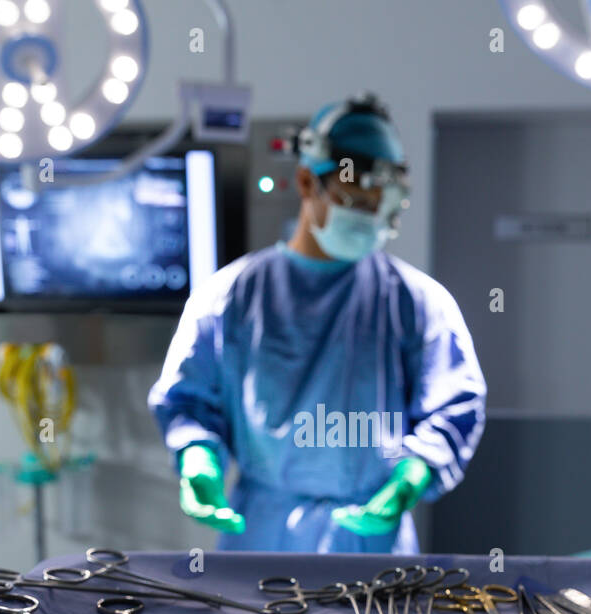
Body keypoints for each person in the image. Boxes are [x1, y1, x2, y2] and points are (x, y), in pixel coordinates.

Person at [148, 92, 486, 552]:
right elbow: (188, 402)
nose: (371, 220)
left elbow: (451, 407)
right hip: (261, 537)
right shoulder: (228, 297)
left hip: (371, 541)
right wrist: (198, 459)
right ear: (308, 183)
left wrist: (413, 473)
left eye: (383, 207)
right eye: (358, 200)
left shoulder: (417, 302)